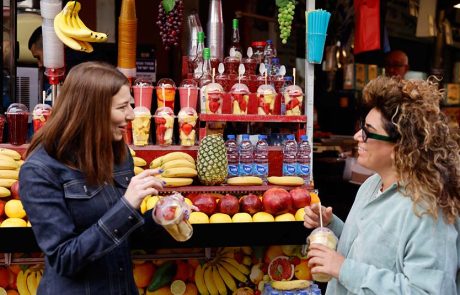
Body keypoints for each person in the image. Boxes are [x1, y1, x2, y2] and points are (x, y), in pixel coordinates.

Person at [19, 62, 166, 294]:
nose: (131, 115)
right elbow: (64, 259)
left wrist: (158, 218)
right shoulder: (40, 170)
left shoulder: (117, 153)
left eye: (131, 105)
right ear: (92, 111)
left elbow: (124, 238)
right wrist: (126, 206)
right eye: (122, 107)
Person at [304, 76, 460, 294]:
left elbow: (428, 291)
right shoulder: (371, 184)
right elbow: (370, 249)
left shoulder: (427, 210)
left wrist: (343, 268)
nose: (358, 136)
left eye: (368, 130)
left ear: (400, 146)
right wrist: (331, 226)